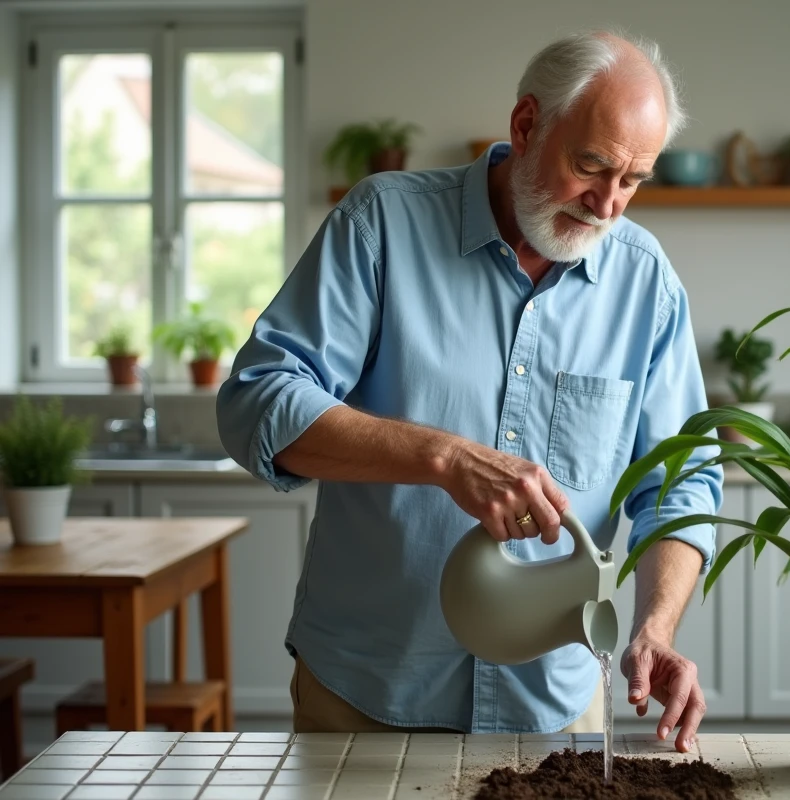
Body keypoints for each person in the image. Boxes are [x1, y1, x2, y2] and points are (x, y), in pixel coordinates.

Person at [215, 28, 722, 753]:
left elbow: (682, 482)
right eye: (592, 166)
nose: (609, 205)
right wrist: (441, 456)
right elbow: (256, 402)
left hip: (555, 705)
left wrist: (653, 629)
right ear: (525, 125)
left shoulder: (645, 282)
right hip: (365, 695)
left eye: (633, 180)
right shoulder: (380, 225)